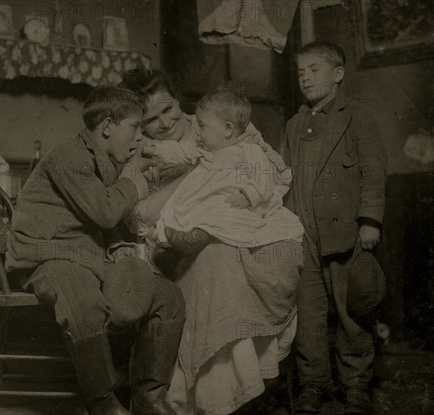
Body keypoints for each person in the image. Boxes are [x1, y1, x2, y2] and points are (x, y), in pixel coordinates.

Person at [121, 70, 304, 414]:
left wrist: (242, 195)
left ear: (178, 99)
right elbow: (138, 216)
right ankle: (212, 393)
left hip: (237, 221)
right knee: (214, 266)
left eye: (169, 109)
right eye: (150, 119)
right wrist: (198, 176)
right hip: (176, 238)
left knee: (247, 257)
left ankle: (247, 384)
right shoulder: (143, 150)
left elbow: (270, 174)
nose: (163, 123)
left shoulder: (217, 119)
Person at [5, 85, 186, 415]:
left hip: (86, 257)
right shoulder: (68, 157)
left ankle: (148, 396)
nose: (138, 137)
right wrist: (132, 182)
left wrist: (118, 246)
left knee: (169, 298)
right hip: (47, 256)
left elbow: (104, 221)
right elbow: (103, 211)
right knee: (85, 303)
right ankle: (103, 403)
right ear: (107, 126)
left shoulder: (104, 161)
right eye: (133, 127)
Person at [283, 41, 387, 415]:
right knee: (307, 313)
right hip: (304, 235)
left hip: (346, 233)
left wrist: (370, 220)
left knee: (351, 312)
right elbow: (285, 180)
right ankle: (313, 383)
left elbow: (373, 172)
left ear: (338, 74)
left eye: (314, 70)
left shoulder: (358, 117)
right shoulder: (295, 125)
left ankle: (356, 384)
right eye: (300, 72)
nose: (305, 78)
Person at [154, 90, 304, 258]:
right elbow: (180, 153)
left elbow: (264, 179)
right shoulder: (204, 150)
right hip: (207, 200)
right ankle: (174, 247)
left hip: (235, 203)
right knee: (182, 210)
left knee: (219, 214)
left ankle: (196, 239)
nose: (197, 132)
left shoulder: (247, 151)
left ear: (227, 129)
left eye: (202, 126)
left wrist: (248, 196)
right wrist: (153, 149)